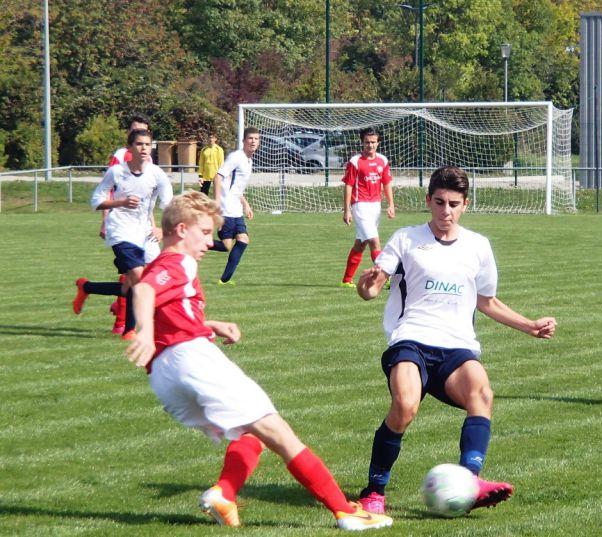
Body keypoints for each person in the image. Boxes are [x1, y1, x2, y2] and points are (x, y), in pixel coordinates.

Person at [124, 191, 393, 531]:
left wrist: (210, 324)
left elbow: (168, 308)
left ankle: (224, 493)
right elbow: (144, 290)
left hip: (164, 376)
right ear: (180, 230)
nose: (210, 242)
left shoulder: (165, 264)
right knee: (280, 433)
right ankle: (346, 512)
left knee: (251, 434)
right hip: (191, 360)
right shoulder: (178, 261)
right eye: (204, 232)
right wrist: (145, 332)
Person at [354, 165, 557, 514]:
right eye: (439, 202)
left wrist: (529, 325)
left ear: (466, 204)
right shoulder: (406, 238)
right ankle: (374, 491)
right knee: (405, 406)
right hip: (411, 340)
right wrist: (366, 285)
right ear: (428, 201)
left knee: (482, 394)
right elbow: (373, 288)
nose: (445, 211)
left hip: (457, 346)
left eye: (453, 204)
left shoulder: (478, 246)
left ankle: (470, 482)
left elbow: (486, 301)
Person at [73, 129, 173, 340]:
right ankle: (136, 330)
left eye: (147, 144)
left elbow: (169, 206)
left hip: (145, 233)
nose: (144, 148)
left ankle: (87, 288)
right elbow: (96, 201)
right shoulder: (116, 172)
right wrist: (121, 202)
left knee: (138, 284)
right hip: (120, 230)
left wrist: (162, 229)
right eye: (139, 144)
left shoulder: (157, 174)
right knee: (139, 277)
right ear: (130, 148)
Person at [105, 114, 154, 334]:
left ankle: (119, 305)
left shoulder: (148, 160)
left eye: (144, 132)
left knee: (146, 273)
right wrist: (104, 221)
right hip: (122, 225)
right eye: (135, 131)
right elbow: (108, 188)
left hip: (144, 225)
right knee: (137, 275)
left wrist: (154, 224)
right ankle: (125, 323)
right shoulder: (119, 156)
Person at [340, 127, 395, 288]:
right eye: (367, 142)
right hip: (360, 205)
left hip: (375, 206)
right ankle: (386, 278)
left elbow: (386, 183)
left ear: (378, 143)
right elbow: (348, 185)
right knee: (374, 242)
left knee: (360, 244)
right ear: (362, 143)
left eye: (373, 142)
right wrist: (347, 210)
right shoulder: (355, 161)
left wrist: (391, 204)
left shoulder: (382, 160)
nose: (370, 145)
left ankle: (346, 280)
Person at [210, 127, 259, 285]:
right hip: (226, 209)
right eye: (250, 138)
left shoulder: (249, 161)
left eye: (256, 139)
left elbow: (236, 188)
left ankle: (224, 280)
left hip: (236, 210)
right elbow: (217, 177)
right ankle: (198, 242)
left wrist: (246, 205)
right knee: (226, 246)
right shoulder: (236, 157)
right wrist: (217, 203)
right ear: (244, 141)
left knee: (243, 240)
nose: (253, 141)